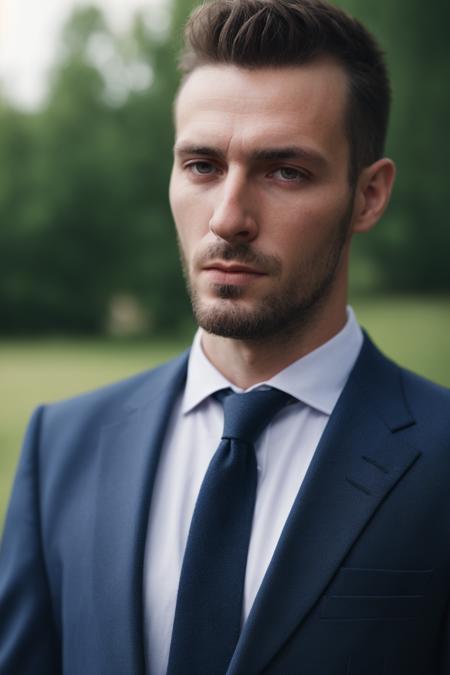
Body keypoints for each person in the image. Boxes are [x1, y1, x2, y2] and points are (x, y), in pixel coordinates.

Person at [1, 0, 449, 673]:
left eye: (285, 171)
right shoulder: (62, 447)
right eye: (203, 166)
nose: (229, 217)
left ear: (369, 195)